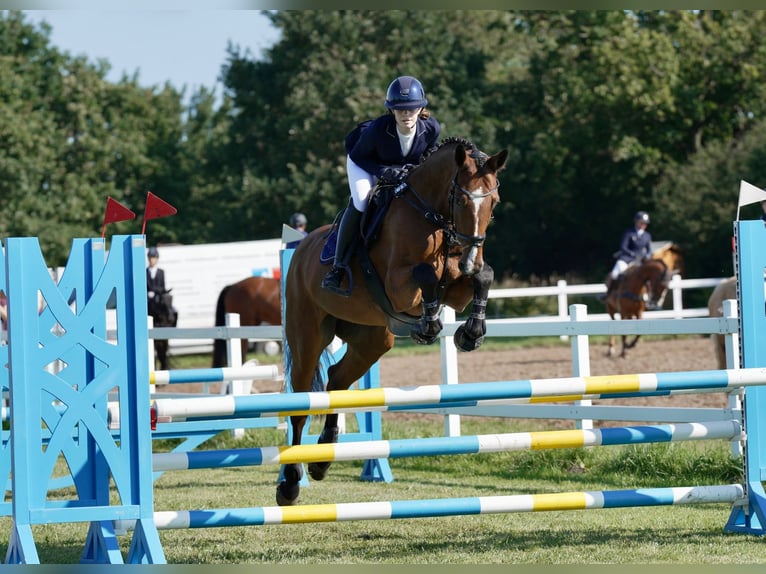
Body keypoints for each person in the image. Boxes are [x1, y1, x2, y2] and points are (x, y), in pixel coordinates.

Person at [321, 75, 441, 296]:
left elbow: (429, 154)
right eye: (400, 109)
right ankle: (338, 268)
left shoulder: (431, 128)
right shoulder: (378, 129)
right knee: (362, 201)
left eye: (411, 109)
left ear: (420, 109)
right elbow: (358, 156)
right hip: (365, 163)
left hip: (401, 169)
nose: (406, 114)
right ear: (392, 110)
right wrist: (384, 171)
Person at [600, 210, 653, 301]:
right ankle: (608, 294)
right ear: (636, 222)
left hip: (639, 261)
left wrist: (647, 256)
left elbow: (649, 250)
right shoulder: (629, 232)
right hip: (626, 258)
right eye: (642, 223)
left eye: (645, 223)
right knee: (615, 274)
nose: (644, 225)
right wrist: (632, 254)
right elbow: (623, 247)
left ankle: (649, 297)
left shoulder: (647, 236)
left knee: (648, 276)